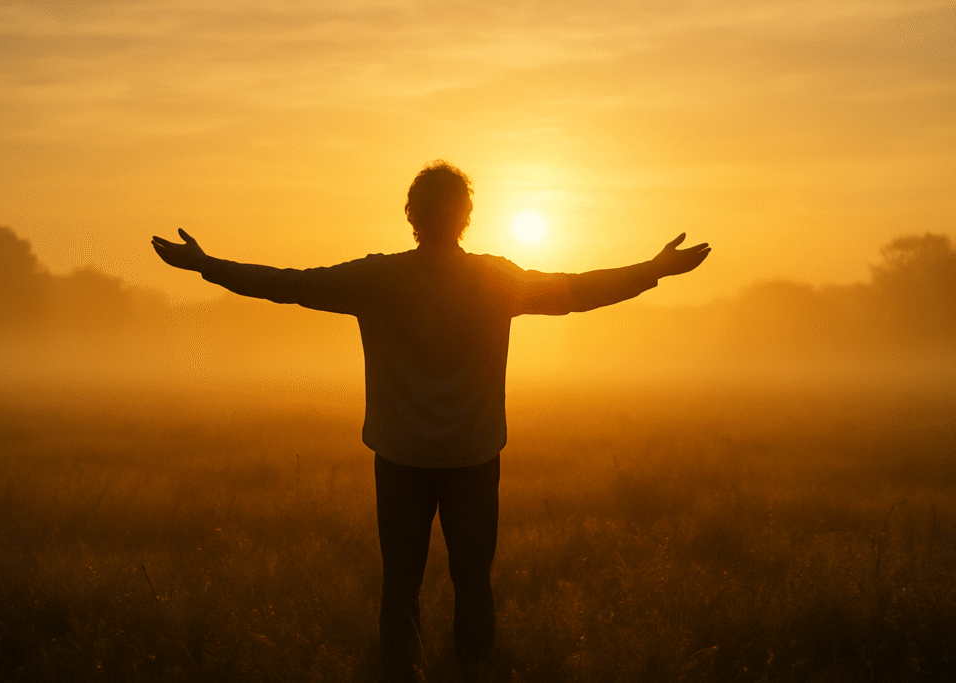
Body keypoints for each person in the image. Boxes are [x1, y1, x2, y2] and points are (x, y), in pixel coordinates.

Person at [152, 160, 710, 682]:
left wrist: (207, 266)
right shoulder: (496, 279)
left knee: (400, 586)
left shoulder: (377, 278)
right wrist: (654, 270)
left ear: (412, 217)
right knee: (474, 585)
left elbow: (289, 284)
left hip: (400, 459)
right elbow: (579, 291)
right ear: (466, 217)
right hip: (473, 456)